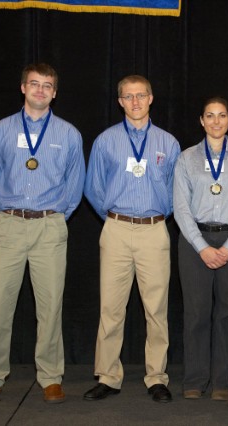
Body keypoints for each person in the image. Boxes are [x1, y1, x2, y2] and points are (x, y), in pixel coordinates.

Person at [0, 63, 86, 404]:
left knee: (50, 307)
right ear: (23, 88)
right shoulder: (1, 130)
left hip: (50, 226)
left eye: (47, 85)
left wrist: (57, 216)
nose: (40, 90)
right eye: (34, 84)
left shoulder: (69, 134)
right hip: (10, 225)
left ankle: (50, 377)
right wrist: (10, 211)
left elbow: (75, 182)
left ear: (55, 92)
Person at [83, 75, 180, 403]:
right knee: (111, 308)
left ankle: (157, 377)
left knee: (156, 308)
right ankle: (108, 376)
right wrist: (116, 218)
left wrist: (156, 215)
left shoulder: (168, 143)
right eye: (128, 96)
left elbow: (176, 191)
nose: (135, 102)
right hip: (117, 230)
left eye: (141, 95)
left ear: (151, 98)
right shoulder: (106, 141)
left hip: (154, 230)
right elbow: (93, 187)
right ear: (120, 101)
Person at [173, 97, 228, 401]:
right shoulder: (186, 158)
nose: (216, 121)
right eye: (210, 115)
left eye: (222, 115)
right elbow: (181, 207)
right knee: (196, 312)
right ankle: (195, 379)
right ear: (201, 121)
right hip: (194, 242)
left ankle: (223, 381)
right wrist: (201, 247)